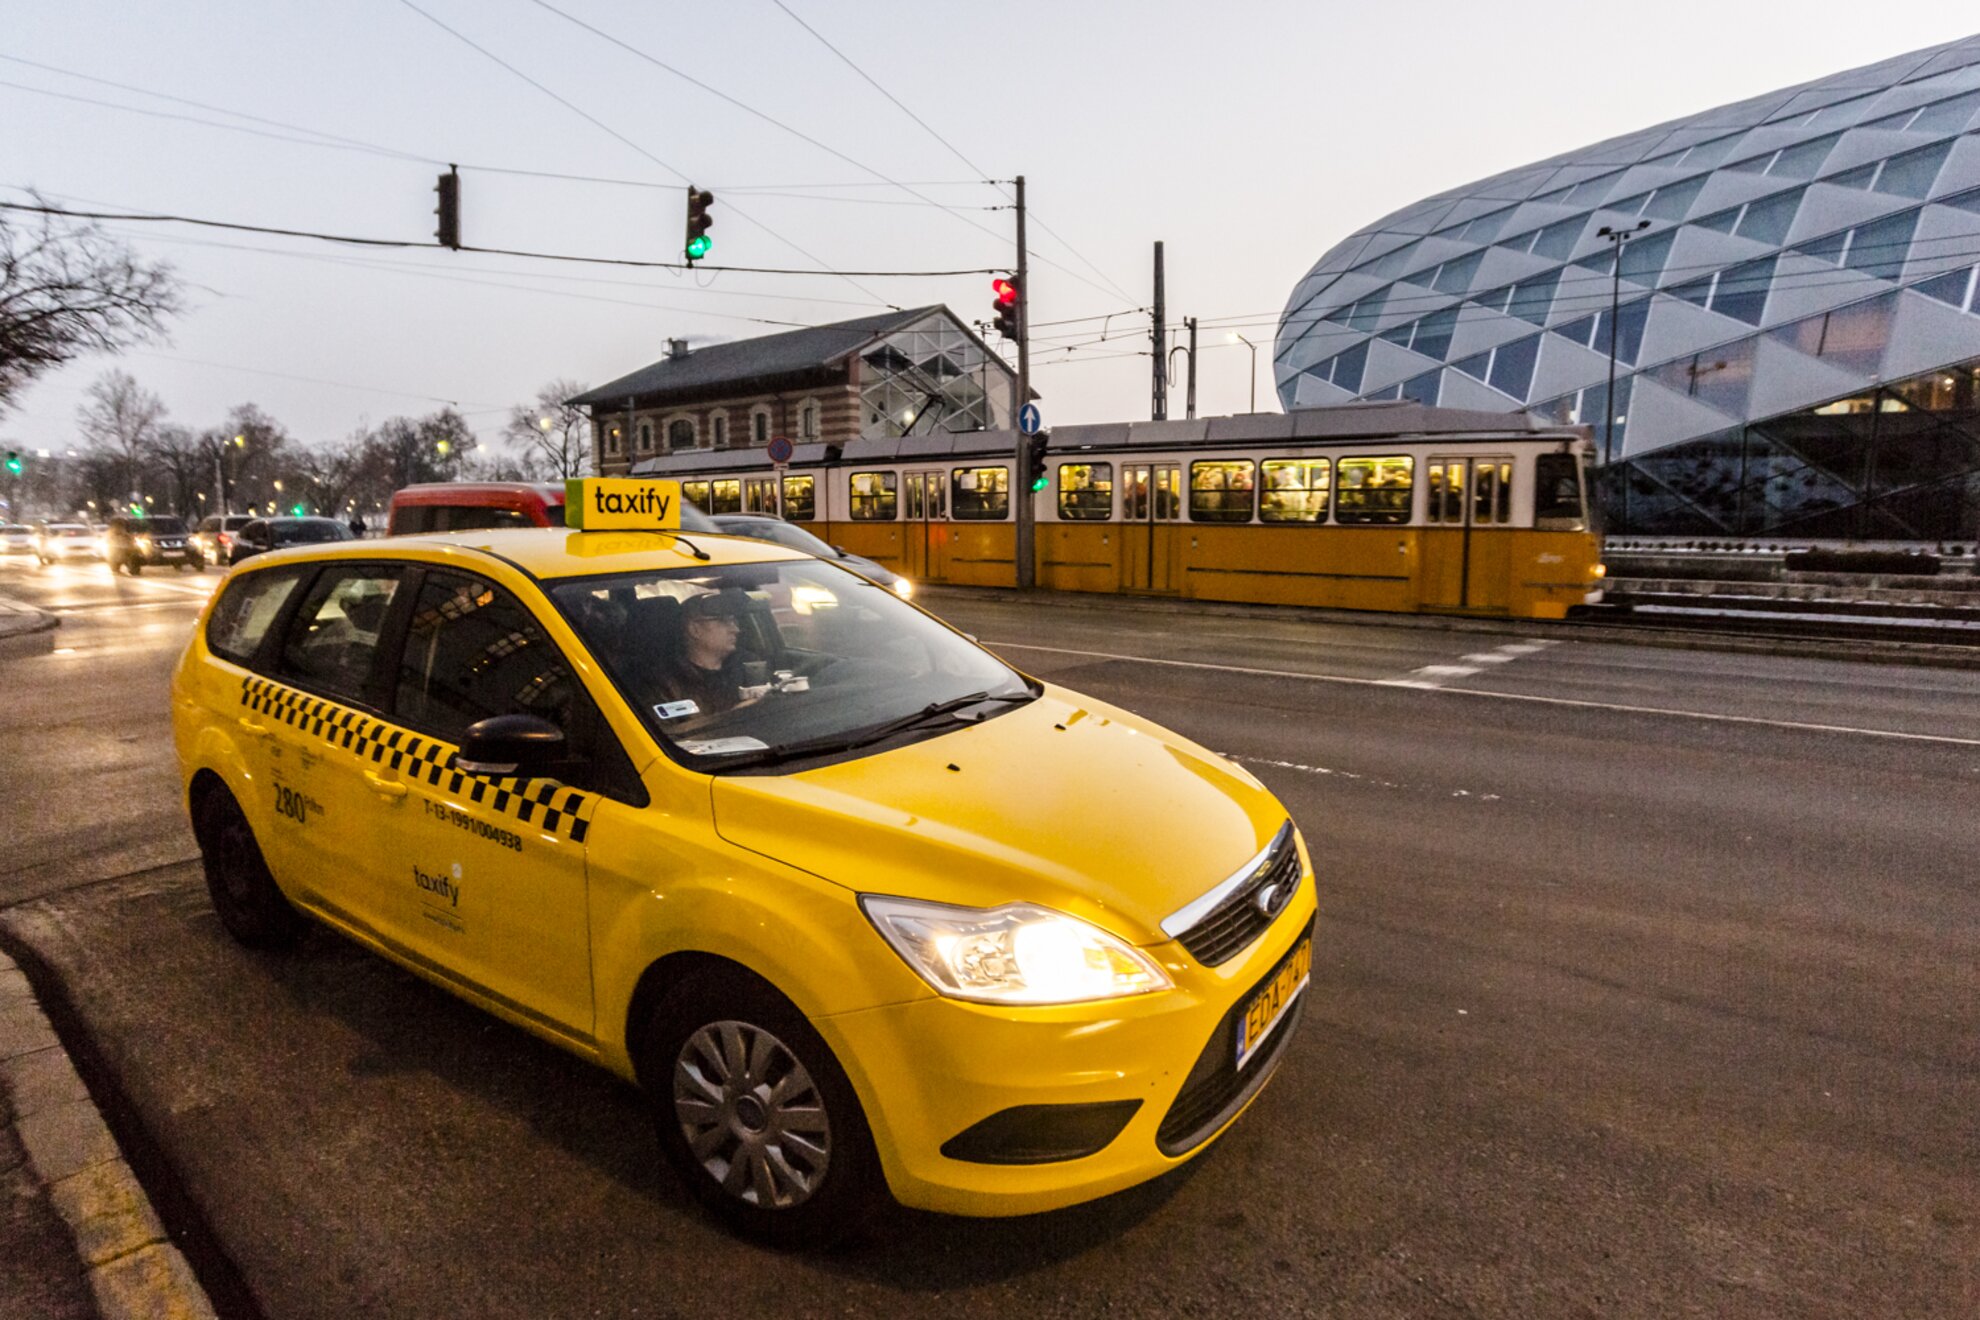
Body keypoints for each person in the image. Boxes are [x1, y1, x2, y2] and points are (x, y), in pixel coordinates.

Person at [661, 592, 754, 716]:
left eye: (734, 621)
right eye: (723, 621)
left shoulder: (748, 667)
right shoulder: (668, 684)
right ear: (695, 630)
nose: (735, 629)